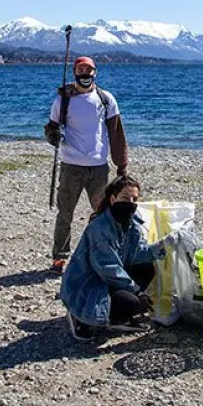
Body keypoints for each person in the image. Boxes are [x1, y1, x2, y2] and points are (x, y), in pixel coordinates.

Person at [44, 56, 128, 275]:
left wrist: (122, 165)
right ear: (74, 72)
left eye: (88, 69)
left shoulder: (106, 99)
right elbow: (51, 126)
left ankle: (106, 254)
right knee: (65, 214)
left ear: (95, 73)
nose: (85, 73)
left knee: (103, 214)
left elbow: (116, 133)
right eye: (80, 69)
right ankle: (59, 258)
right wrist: (53, 135)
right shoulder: (63, 101)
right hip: (71, 165)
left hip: (99, 167)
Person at [60, 175, 170, 341]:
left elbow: (137, 253)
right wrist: (136, 290)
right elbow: (107, 267)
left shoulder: (132, 224)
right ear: (113, 199)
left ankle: (117, 317)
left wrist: (161, 247)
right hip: (90, 282)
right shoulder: (100, 228)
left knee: (147, 267)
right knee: (132, 302)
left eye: (134, 199)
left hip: (110, 278)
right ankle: (81, 317)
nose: (131, 202)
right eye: (125, 197)